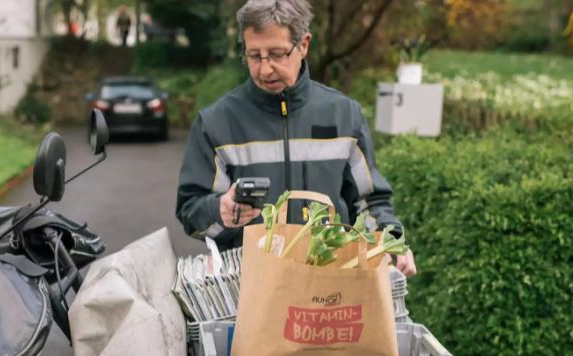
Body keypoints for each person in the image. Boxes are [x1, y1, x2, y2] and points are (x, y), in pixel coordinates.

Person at [175, 0, 417, 276]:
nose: (264, 70)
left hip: (332, 283)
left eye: (277, 54)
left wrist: (390, 243)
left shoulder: (343, 115)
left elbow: (369, 202)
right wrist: (221, 211)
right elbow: (191, 213)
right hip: (250, 288)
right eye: (254, 55)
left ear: (304, 45)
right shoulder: (216, 123)